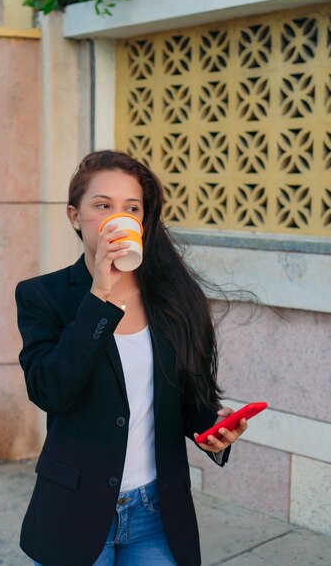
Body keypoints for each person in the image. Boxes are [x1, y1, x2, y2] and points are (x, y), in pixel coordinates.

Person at [15, 150, 248, 566]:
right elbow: (51, 390)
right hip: (76, 513)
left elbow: (187, 396)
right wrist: (100, 295)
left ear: (142, 221)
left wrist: (212, 424)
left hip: (157, 512)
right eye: (102, 205)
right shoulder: (42, 296)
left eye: (131, 208)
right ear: (74, 215)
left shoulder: (173, 296)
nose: (116, 217)